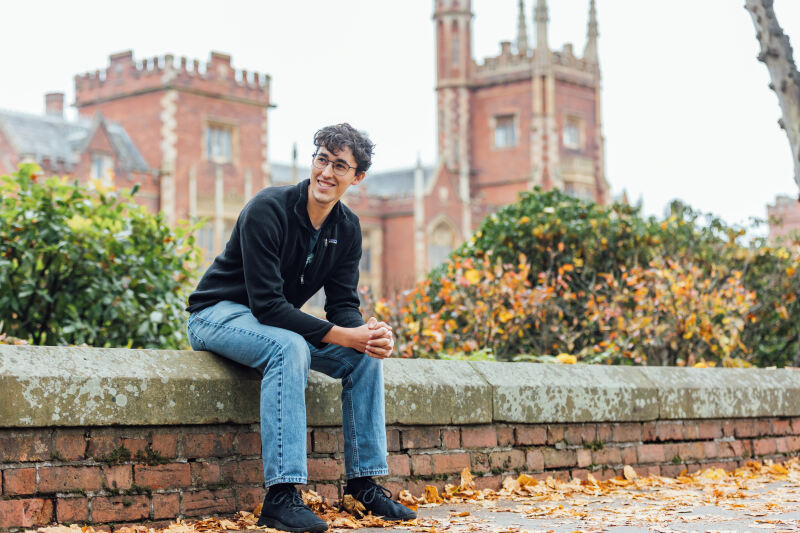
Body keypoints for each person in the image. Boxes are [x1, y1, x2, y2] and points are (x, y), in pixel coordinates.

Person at [185, 123, 416, 532]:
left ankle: (364, 485)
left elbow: (343, 304)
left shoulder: (347, 228)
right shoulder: (267, 208)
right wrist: (344, 335)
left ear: (357, 177)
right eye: (322, 159)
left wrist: (366, 335)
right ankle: (281, 496)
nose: (327, 173)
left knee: (362, 359)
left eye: (340, 165)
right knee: (289, 347)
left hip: (267, 323)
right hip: (216, 315)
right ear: (313, 161)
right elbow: (269, 305)